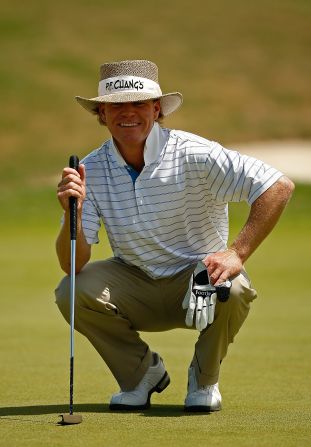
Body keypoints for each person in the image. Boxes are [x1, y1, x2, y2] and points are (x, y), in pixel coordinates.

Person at [55, 59, 294, 412]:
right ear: (102, 114)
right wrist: (71, 212)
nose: (128, 113)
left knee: (236, 284)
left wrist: (236, 253)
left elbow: (277, 186)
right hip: (136, 283)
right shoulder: (92, 169)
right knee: (71, 291)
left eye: (138, 103)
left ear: (156, 109)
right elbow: (72, 264)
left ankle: (204, 378)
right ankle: (140, 376)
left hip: (199, 280)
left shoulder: (194, 152)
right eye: (116, 105)